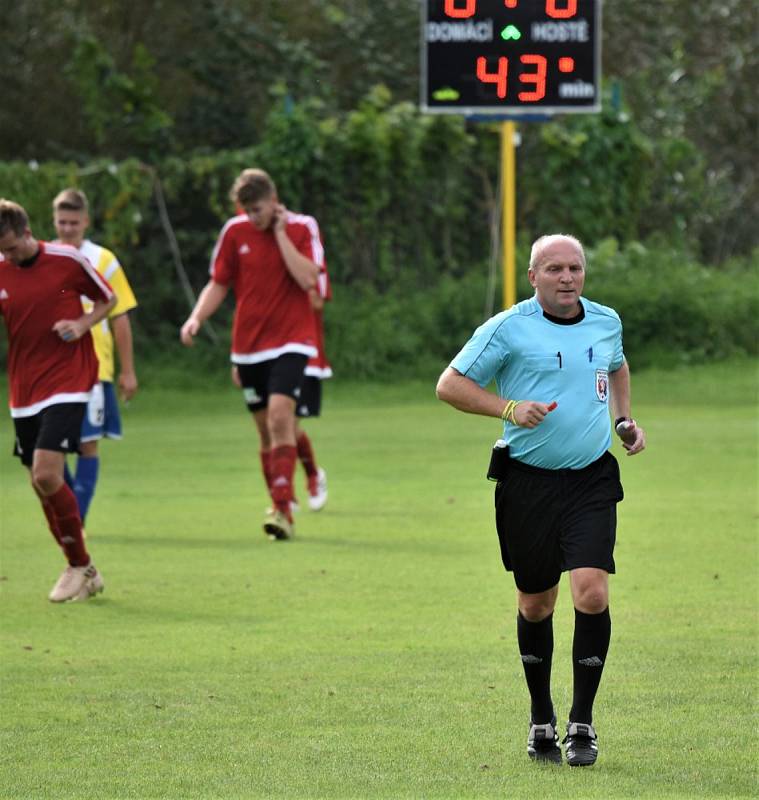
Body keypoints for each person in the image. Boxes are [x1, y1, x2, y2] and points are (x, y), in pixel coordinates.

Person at [436, 234, 645, 767]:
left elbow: (616, 365)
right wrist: (508, 408)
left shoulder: (606, 321)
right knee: (536, 603)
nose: (567, 277)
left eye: (575, 268)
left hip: (591, 479)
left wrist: (622, 419)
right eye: (554, 269)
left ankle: (582, 724)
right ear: (533, 276)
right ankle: (541, 719)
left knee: (592, 593)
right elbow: (449, 385)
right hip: (527, 484)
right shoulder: (508, 328)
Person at [181, 168, 320, 540]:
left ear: (274, 200)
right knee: (264, 433)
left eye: (258, 209)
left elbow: (309, 278)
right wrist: (196, 318)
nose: (253, 217)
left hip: (292, 342)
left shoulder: (301, 227)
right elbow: (219, 282)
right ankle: (282, 506)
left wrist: (278, 235)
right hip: (248, 348)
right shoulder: (234, 232)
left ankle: (280, 507)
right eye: (247, 210)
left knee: (280, 418)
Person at [0, 199, 116, 601]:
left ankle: (75, 566)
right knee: (39, 482)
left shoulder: (67, 261)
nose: (9, 257)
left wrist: (82, 324)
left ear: (28, 233)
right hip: (24, 389)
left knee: (47, 474)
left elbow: (108, 299)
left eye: (12, 248)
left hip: (69, 380)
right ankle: (84, 568)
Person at [52, 188, 139, 526]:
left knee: (87, 444)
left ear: (86, 221)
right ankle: (71, 515)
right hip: (54, 369)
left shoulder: (103, 260)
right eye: (62, 222)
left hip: (94, 368)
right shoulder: (46, 258)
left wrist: (127, 370)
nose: (68, 228)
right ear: (54, 221)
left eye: (74, 222)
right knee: (52, 451)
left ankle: (78, 521)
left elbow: (120, 316)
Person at [232, 274, 330, 513]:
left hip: (301, 355)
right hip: (264, 356)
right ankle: (284, 500)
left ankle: (311, 477)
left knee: (285, 424)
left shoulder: (307, 253)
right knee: (269, 429)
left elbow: (317, 301)